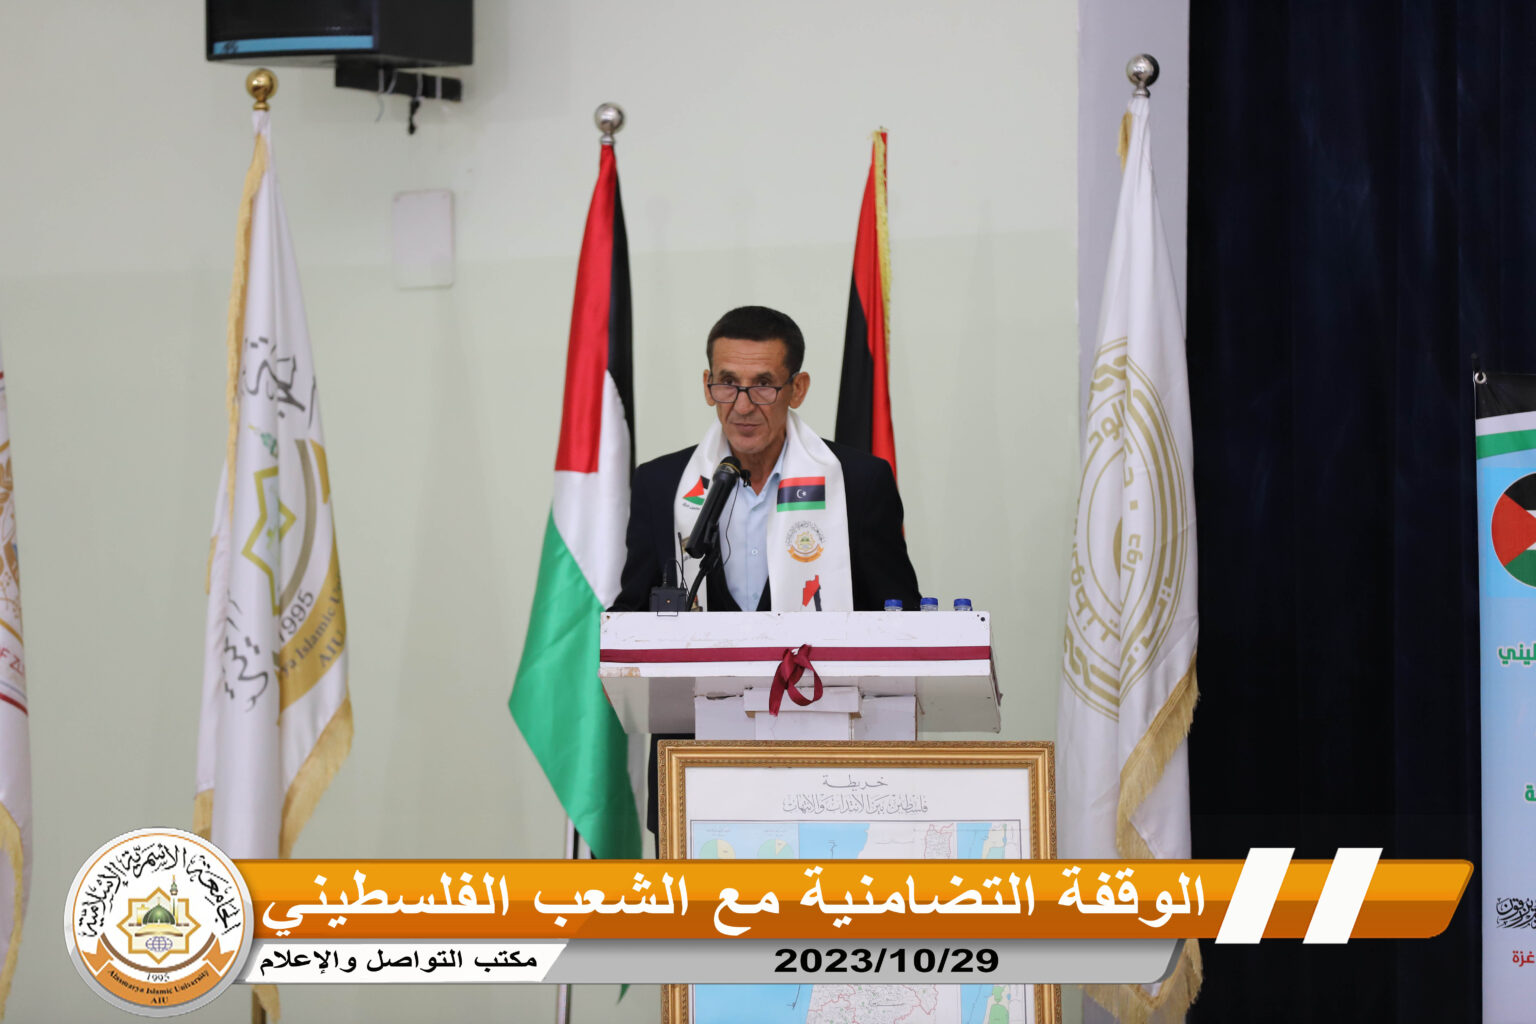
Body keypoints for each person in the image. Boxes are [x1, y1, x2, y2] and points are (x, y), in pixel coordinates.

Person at [611, 305, 921, 833]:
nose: (742, 406)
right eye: (727, 384)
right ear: (707, 386)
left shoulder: (858, 482)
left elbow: (898, 618)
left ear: (797, 389)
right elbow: (633, 610)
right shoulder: (662, 484)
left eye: (763, 385)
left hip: (830, 763)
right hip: (696, 763)